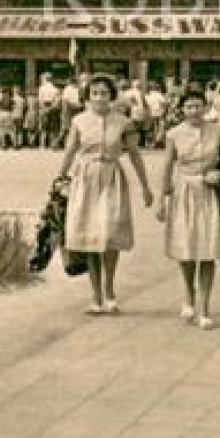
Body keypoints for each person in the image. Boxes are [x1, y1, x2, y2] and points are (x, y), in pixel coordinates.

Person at [52, 74, 154, 316]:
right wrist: (59, 179)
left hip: (112, 178)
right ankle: (96, 295)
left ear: (112, 96)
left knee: (110, 234)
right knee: (90, 237)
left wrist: (145, 186)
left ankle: (110, 290)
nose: (99, 98)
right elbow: (69, 152)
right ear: (88, 97)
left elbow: (135, 155)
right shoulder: (79, 121)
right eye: (95, 93)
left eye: (104, 93)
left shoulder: (123, 122)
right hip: (85, 180)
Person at [158, 85, 220, 329]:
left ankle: (205, 308)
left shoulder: (217, 131)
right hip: (183, 191)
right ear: (182, 110)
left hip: (209, 192)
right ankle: (188, 295)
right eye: (189, 106)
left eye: (198, 105)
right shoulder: (173, 134)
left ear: (205, 108)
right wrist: (161, 199)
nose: (194, 111)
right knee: (186, 248)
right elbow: (167, 166)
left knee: (208, 248)